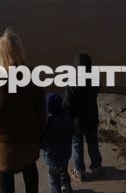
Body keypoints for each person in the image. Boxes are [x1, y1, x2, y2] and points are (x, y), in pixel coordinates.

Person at [0, 29, 46, 193]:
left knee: (5, 174)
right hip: (28, 135)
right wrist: (40, 128)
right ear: (20, 51)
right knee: (30, 170)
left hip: (3, 141)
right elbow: (41, 105)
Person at [64, 53, 101, 182]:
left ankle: (79, 171)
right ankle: (96, 168)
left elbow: (67, 104)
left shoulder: (72, 83)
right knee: (93, 143)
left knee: (77, 146)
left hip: (76, 122)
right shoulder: (95, 80)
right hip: (91, 118)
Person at [41, 93, 75, 193]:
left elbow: (43, 139)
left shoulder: (48, 122)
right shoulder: (67, 117)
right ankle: (67, 188)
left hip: (52, 156)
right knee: (64, 171)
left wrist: (42, 146)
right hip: (65, 153)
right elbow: (72, 131)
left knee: (54, 179)